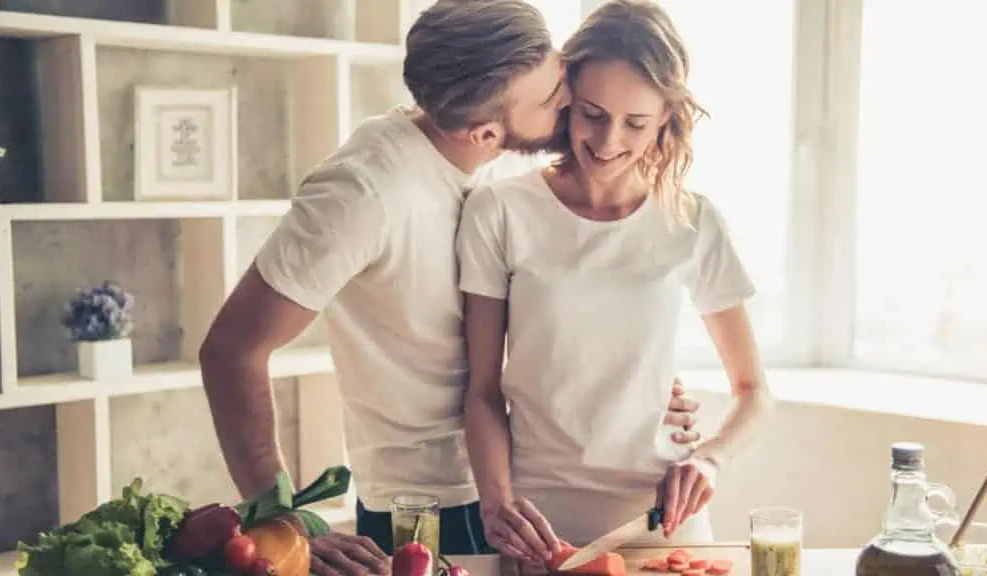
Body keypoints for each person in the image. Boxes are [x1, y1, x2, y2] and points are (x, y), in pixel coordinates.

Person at [198, 1, 703, 574]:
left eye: (558, 73)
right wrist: (279, 519)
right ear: (484, 130)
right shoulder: (362, 193)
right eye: (551, 97)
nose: (568, 100)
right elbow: (231, 350)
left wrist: (631, 381)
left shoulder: (504, 159)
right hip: (430, 506)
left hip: (528, 486)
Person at [456, 0, 777, 565]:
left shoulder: (692, 222)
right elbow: (481, 389)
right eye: (592, 114)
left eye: (635, 123)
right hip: (540, 524)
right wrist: (497, 504)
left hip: (664, 521)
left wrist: (709, 460)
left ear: (666, 121)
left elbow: (754, 392)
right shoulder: (499, 209)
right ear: (565, 103)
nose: (608, 141)